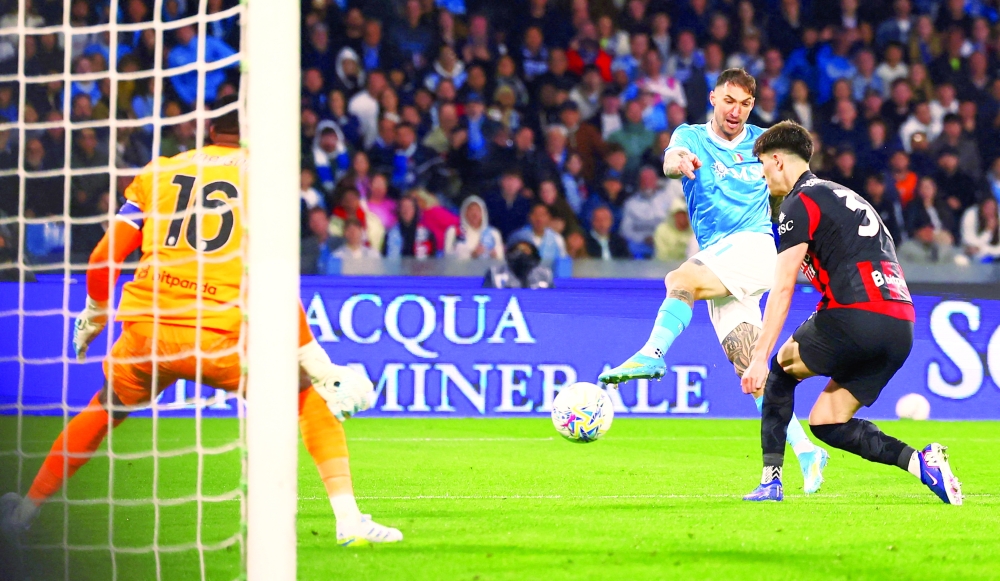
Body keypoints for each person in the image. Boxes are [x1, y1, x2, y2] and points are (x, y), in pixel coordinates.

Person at [0, 96, 403, 546]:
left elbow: (101, 258)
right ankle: (349, 523)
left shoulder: (158, 172)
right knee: (307, 398)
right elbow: (271, 279)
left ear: (209, 132)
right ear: (253, 135)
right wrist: (321, 367)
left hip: (149, 333)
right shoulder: (264, 179)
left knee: (102, 409)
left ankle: (25, 512)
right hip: (224, 339)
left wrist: (93, 316)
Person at [600, 69, 827, 492]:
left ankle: (653, 352)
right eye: (729, 101)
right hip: (722, 258)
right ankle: (806, 451)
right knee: (749, 366)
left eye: (744, 104)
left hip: (759, 246)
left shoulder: (764, 145)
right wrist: (678, 163)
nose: (736, 111)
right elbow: (670, 160)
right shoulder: (690, 137)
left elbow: (798, 179)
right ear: (713, 98)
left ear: (751, 106)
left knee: (680, 278)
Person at [741, 120, 962, 505]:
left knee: (779, 370)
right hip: (900, 326)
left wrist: (758, 356)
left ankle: (770, 481)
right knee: (827, 421)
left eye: (761, 166)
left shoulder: (798, 203)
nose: (763, 177)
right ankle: (921, 462)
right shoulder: (845, 196)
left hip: (856, 314)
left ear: (777, 160)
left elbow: (784, 286)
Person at [444, 195, 504, 260]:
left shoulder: (493, 233)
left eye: (478, 210)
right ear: (464, 212)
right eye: (471, 210)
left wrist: (494, 255)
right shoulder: (454, 232)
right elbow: (447, 257)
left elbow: (501, 259)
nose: (474, 214)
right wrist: (471, 255)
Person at [483, 240, 554, 289]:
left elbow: (553, 300)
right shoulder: (494, 273)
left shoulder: (545, 275)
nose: (521, 254)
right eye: (517, 250)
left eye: (525, 250)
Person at [654, 197, 697, 261]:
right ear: (672, 215)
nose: (682, 218)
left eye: (685, 214)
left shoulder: (695, 232)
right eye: (679, 215)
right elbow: (662, 255)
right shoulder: (662, 231)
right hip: (664, 266)